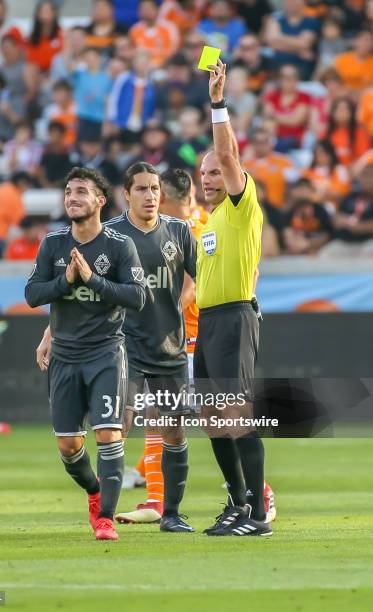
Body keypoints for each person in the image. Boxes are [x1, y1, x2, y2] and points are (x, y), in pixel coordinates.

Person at [25, 167, 145, 541]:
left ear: (99, 200)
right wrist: (68, 282)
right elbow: (32, 294)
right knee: (69, 445)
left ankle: (106, 518)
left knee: (109, 434)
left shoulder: (119, 246)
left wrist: (94, 280)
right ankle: (95, 491)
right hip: (65, 355)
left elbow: (138, 296)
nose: (72, 198)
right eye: (68, 192)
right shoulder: (53, 244)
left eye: (80, 192)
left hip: (106, 352)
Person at [194, 58, 272, 536]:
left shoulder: (243, 207)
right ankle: (239, 505)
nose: (209, 178)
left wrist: (218, 103)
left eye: (216, 173)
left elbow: (228, 157)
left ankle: (259, 516)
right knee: (212, 417)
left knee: (235, 413)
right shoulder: (209, 224)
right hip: (208, 322)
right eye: (204, 173)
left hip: (235, 318)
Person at [115, 167, 200, 523]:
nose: (151, 196)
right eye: (143, 189)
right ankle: (110, 511)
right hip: (127, 347)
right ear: (127, 193)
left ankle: (169, 510)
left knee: (179, 425)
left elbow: (201, 280)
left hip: (178, 345)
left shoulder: (184, 230)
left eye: (154, 189)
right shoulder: (112, 235)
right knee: (120, 424)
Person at [264, 0, 320, 80]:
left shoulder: (311, 21)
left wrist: (279, 38)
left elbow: (304, 44)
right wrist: (298, 48)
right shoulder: (276, 20)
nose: (290, 2)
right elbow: (271, 42)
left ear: (303, 2)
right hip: (277, 69)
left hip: (302, 70)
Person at [263, 64, 311, 153]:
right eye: (284, 77)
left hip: (293, 138)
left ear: (297, 79)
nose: (287, 81)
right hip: (272, 135)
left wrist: (275, 117)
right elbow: (267, 116)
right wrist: (287, 118)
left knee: (276, 145)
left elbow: (296, 121)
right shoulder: (272, 96)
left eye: (291, 77)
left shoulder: (304, 97)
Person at [243, 127, 294, 209]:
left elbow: (293, 185)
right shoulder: (245, 165)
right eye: (257, 142)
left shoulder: (283, 162)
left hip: (277, 207)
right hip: (252, 209)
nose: (261, 146)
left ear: (270, 143)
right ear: (252, 144)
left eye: (264, 141)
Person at [0, 171, 33, 242]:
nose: (26, 190)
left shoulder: (0, 188)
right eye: (27, 186)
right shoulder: (15, 196)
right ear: (21, 183)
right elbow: (21, 220)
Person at [129, 0, 180, 68]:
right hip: (141, 68)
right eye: (143, 8)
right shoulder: (134, 30)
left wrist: (159, 64)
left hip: (165, 68)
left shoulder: (169, 28)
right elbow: (132, 53)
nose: (146, 11)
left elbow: (174, 52)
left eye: (149, 8)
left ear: (157, 9)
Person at [326, 97, 371, 168]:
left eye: (345, 109)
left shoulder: (360, 133)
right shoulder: (326, 134)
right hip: (331, 173)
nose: (341, 112)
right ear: (332, 112)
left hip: (354, 172)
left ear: (351, 113)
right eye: (338, 109)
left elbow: (363, 159)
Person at [26, 0, 63, 73]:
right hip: (38, 73)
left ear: (54, 13)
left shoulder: (62, 34)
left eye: (49, 11)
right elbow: (30, 59)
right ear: (38, 14)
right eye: (43, 11)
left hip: (55, 73)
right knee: (29, 70)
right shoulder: (32, 36)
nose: (46, 15)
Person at [38, 121, 73, 189]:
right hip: (46, 186)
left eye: (55, 133)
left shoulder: (68, 152)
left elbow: (70, 173)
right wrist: (45, 183)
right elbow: (41, 170)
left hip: (64, 186)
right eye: (50, 133)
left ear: (62, 135)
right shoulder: (46, 152)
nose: (52, 135)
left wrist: (57, 184)